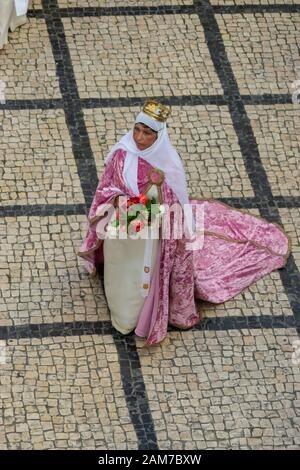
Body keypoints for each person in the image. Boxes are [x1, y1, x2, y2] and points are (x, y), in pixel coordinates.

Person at [78, 100, 291, 346]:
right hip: (122, 229)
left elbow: (174, 202)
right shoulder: (122, 153)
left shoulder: (168, 164)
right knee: (119, 271)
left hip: (150, 234)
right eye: (137, 129)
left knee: (140, 276)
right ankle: (118, 305)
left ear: (158, 136)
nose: (139, 137)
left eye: (147, 133)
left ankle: (133, 318)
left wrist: (150, 210)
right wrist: (121, 203)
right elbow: (107, 187)